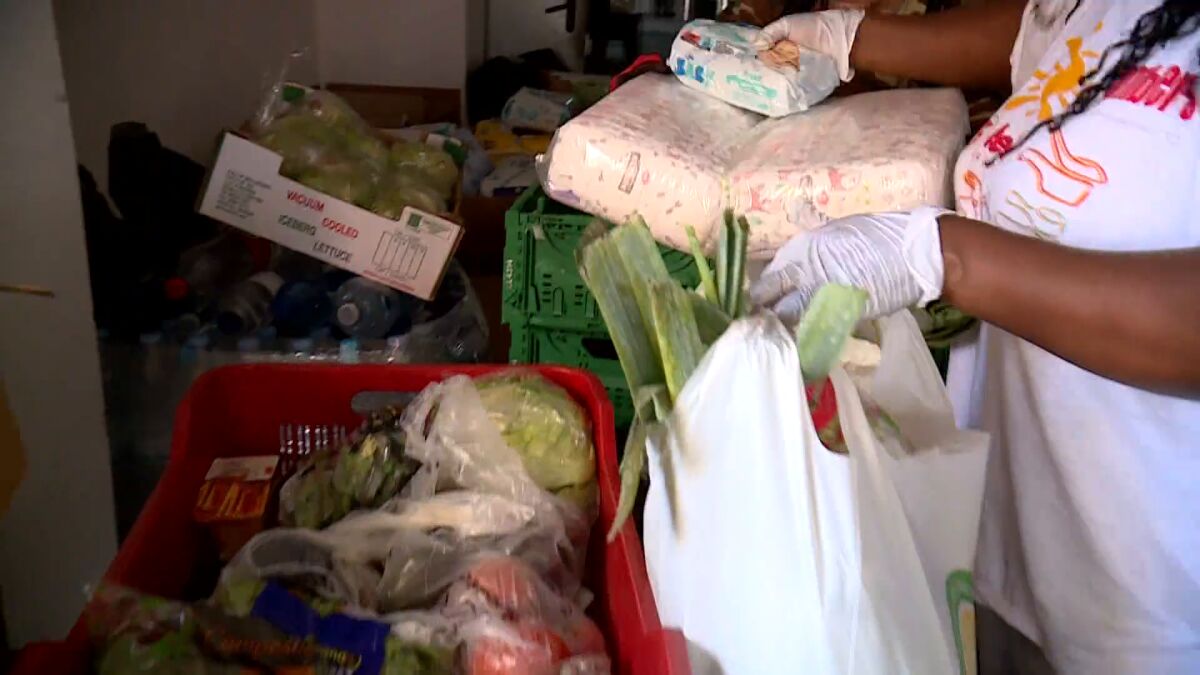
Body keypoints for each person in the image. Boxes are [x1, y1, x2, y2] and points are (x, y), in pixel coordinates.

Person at [751, 1, 1200, 673]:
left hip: (1147, 609)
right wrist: (851, 40)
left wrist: (946, 257)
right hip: (1006, 554)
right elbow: (1033, 31)